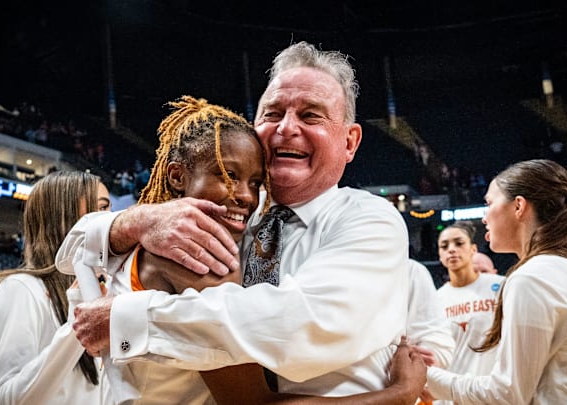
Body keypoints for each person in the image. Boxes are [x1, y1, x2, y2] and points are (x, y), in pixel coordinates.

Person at [58, 41, 411, 398]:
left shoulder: (370, 219)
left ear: (350, 142)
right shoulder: (216, 217)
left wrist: (128, 319)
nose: (287, 128)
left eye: (310, 116)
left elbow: (298, 325)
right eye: (272, 114)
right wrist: (134, 222)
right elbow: (70, 253)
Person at [427, 159, 567, 403]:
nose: (485, 217)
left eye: (489, 203)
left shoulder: (532, 277)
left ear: (518, 206)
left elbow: (506, 395)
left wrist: (424, 376)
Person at [0, 171, 112, 404]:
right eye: (100, 209)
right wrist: (79, 324)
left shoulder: (108, 286)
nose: (111, 219)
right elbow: (1, 399)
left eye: (108, 208)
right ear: (62, 218)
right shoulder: (21, 290)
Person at [433, 222, 504, 404]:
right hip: (454, 396)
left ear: (473, 249)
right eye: (444, 246)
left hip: (495, 392)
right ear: (440, 255)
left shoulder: (500, 286)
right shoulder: (435, 300)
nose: (452, 250)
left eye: (459, 243)